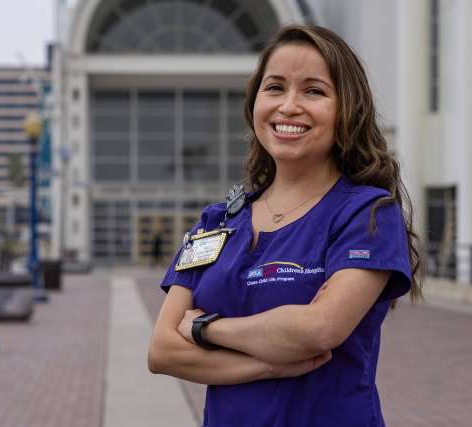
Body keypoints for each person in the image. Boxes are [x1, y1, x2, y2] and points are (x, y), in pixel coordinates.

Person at [148, 24, 421, 427]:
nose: (289, 106)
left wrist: (205, 328)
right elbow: (163, 351)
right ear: (255, 102)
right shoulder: (218, 220)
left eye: (314, 91)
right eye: (275, 87)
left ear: (347, 108)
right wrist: (270, 365)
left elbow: (318, 331)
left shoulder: (366, 214)